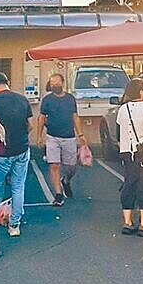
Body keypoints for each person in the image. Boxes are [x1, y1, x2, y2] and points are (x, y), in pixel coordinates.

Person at [0, 72, 33, 238]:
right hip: (21, 149)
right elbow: (30, 126)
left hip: (0, 152)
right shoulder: (22, 99)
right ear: (7, 82)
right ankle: (14, 225)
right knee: (18, 187)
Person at [115, 78, 143, 237]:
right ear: (141, 92)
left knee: (129, 185)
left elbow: (117, 134)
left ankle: (127, 222)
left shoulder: (122, 109)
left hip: (127, 153)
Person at [37, 73, 87, 206]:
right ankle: (58, 194)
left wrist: (80, 134)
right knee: (54, 165)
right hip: (52, 137)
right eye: (52, 83)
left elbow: (75, 116)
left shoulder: (70, 99)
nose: (54, 85)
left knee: (71, 166)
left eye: (57, 83)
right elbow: (41, 118)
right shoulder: (47, 100)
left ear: (63, 83)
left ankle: (66, 180)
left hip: (69, 137)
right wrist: (39, 136)